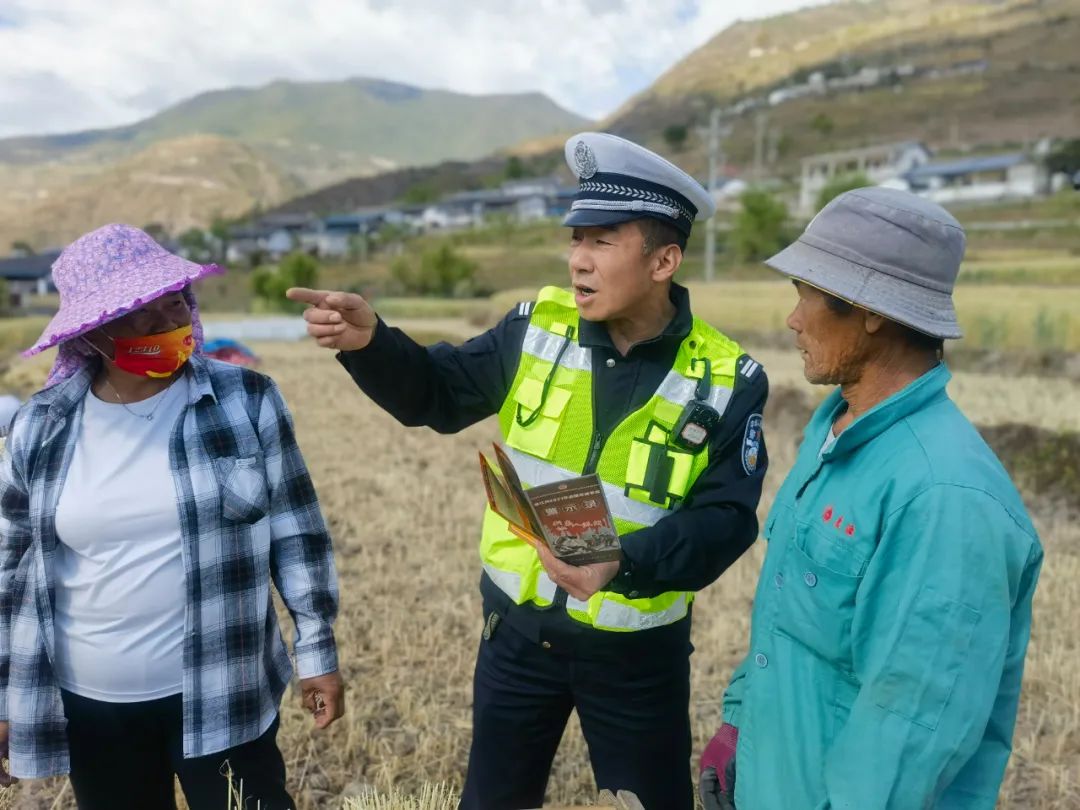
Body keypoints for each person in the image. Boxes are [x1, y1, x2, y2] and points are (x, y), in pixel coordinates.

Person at [288, 132, 769, 809]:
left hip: (637, 657)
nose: (578, 259)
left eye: (603, 242)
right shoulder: (536, 327)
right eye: (576, 239)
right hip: (516, 639)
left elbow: (724, 522)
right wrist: (372, 344)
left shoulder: (727, 378)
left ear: (664, 260)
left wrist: (621, 562)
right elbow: (438, 393)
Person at [698, 188, 1043, 810]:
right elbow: (786, 627)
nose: (793, 319)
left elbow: (908, 731)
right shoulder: (834, 432)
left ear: (871, 311)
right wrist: (739, 724)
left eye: (806, 292)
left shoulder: (944, 499)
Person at [0, 224, 343, 810]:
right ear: (95, 332)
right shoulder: (41, 426)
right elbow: (9, 568)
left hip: (225, 690)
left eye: (176, 304)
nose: (166, 324)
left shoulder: (246, 400)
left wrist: (317, 653)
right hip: (93, 709)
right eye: (141, 315)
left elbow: (297, 534)